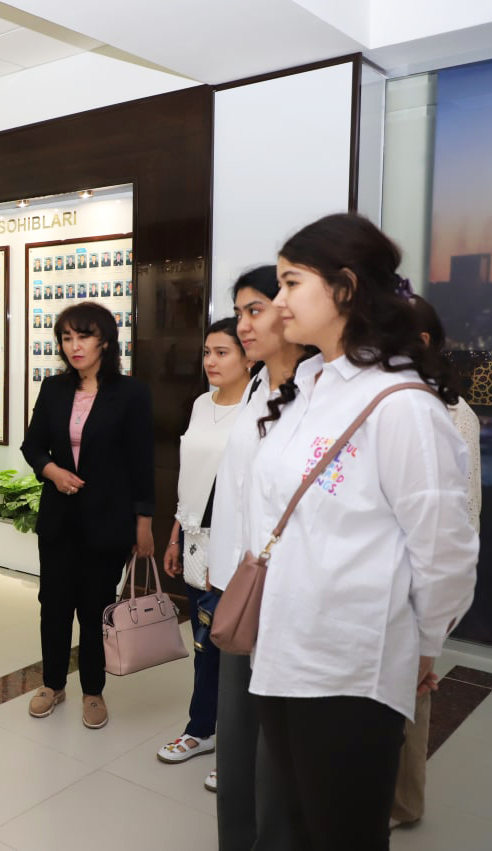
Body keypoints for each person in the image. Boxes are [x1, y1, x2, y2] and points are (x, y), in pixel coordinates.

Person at [249, 213, 477, 847]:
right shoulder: (312, 385)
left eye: (292, 283)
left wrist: (422, 647)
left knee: (343, 832)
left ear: (345, 287)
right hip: (282, 647)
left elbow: (445, 549)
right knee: (297, 826)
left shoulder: (401, 404)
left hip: (351, 664)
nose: (279, 300)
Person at [20, 301, 154, 730]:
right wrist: (52, 470)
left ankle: (93, 690)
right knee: (54, 605)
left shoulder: (131, 393)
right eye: (66, 337)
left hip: (108, 520)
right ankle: (53, 684)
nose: (74, 346)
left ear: (105, 341)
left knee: (96, 607)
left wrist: (144, 521)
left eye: (84, 336)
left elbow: (142, 462)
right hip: (59, 519)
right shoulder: (54, 389)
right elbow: (32, 445)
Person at [208, 265, 299, 842]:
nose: (243, 324)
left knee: (278, 749)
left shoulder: (318, 392)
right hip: (241, 586)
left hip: (284, 592)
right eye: (239, 311)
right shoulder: (257, 385)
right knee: (238, 737)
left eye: (255, 310)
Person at [389, 295, 482, 829]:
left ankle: (403, 803)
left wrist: (437, 616)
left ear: (421, 342)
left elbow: (462, 517)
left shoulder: (452, 413)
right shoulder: (386, 401)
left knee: (411, 696)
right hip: (380, 581)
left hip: (419, 583)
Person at [159, 319, 251, 763]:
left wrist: (231, 551)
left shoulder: (258, 408)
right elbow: (191, 476)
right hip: (195, 536)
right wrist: (176, 533)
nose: (211, 361)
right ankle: (202, 730)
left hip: (235, 543)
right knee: (204, 642)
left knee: (233, 645)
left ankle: (235, 748)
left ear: (248, 357)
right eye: (207, 352)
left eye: (222, 352)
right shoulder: (200, 403)